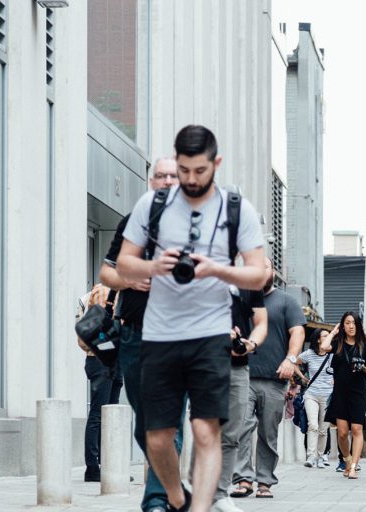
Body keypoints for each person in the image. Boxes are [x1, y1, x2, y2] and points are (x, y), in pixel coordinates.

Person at [117, 125, 267, 512]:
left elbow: (259, 273)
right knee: (157, 437)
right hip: (159, 335)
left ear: (216, 163)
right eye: (183, 170)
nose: (190, 179)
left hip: (210, 333)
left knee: (205, 430)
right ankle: (175, 496)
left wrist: (217, 270)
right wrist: (154, 266)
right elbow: (122, 263)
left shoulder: (237, 209)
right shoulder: (153, 205)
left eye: (199, 170)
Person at [99, 156, 181, 511]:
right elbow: (107, 273)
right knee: (144, 423)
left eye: (172, 176)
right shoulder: (132, 223)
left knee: (169, 421)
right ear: (151, 182)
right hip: (134, 334)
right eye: (160, 176)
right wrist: (130, 278)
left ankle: (157, 500)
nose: (165, 181)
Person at [232, 257, 306, 499]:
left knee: (268, 432)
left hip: (275, 379)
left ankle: (265, 481)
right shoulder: (239, 300)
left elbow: (298, 331)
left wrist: (291, 359)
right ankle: (243, 479)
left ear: (272, 271)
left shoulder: (286, 301)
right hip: (242, 375)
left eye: (264, 267)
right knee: (241, 427)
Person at [212, 284, 267, 512]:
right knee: (205, 430)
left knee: (233, 432)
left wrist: (250, 343)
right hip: (203, 363)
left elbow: (261, 322)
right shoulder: (197, 274)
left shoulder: (248, 283)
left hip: (238, 367)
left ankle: (220, 495)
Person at [76, 283, 124, 483]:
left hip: (106, 360)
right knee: (99, 414)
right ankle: (93, 468)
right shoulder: (105, 293)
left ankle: (106, 466)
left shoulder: (95, 294)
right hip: (102, 360)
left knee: (109, 415)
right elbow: (99, 329)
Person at [327, 312, 366, 478]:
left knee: (356, 428)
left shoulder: (364, 345)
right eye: (347, 323)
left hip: (358, 391)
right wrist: (334, 332)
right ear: (343, 325)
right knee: (341, 433)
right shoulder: (338, 343)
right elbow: (324, 347)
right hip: (340, 392)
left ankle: (354, 466)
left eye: (354, 323)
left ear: (358, 325)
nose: (351, 326)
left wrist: (362, 368)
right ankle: (347, 459)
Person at [298, 328, 334, 468]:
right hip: (311, 394)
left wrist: (336, 379)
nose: (328, 337)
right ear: (318, 339)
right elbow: (295, 362)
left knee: (323, 429)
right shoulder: (309, 354)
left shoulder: (332, 356)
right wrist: (303, 377)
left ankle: (320, 456)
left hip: (327, 396)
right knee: (313, 425)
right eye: (325, 336)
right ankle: (311, 456)